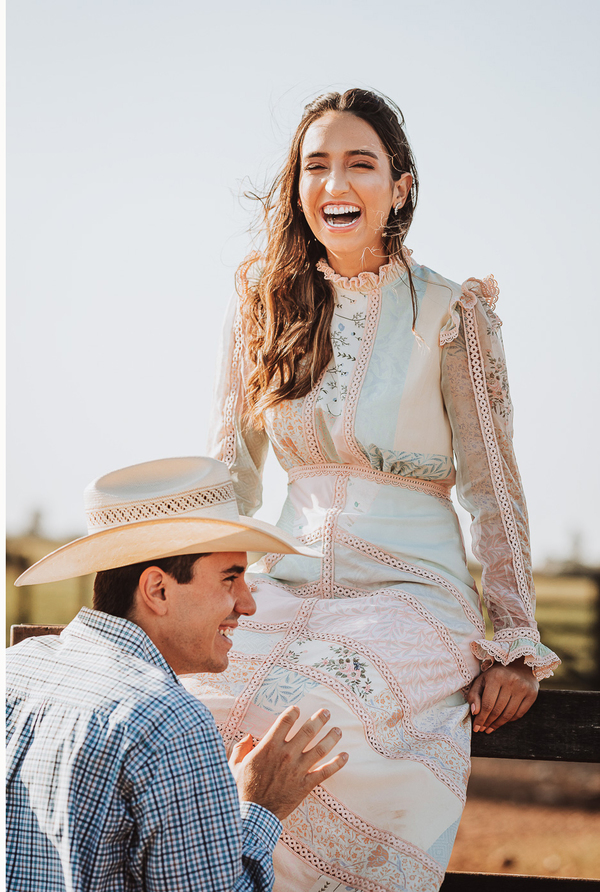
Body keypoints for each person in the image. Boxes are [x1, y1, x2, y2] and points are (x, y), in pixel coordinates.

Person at [183, 88, 559, 892]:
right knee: (196, 710)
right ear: (297, 187)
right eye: (316, 166)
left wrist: (517, 642)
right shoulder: (263, 304)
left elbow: (494, 486)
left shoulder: (453, 315)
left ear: (402, 186)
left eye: (361, 164)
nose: (336, 184)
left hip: (411, 591)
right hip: (282, 581)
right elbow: (228, 475)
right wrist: (198, 593)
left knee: (317, 712)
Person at [7, 456, 348, 892]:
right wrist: (259, 808)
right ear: (158, 590)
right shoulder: (170, 720)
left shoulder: (18, 665)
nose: (248, 604)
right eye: (230, 578)